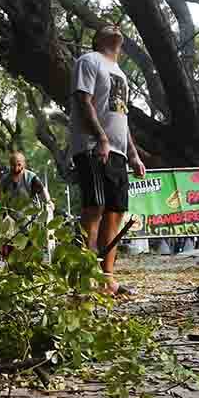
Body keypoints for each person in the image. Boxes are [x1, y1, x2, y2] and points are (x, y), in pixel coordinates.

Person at [69, 23, 147, 295]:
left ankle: (108, 278)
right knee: (95, 207)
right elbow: (84, 101)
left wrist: (134, 155)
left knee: (115, 212)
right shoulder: (89, 61)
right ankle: (84, 275)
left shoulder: (121, 74)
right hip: (92, 146)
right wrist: (101, 138)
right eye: (106, 26)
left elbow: (122, 117)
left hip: (118, 152)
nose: (114, 25)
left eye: (117, 25)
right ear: (96, 40)